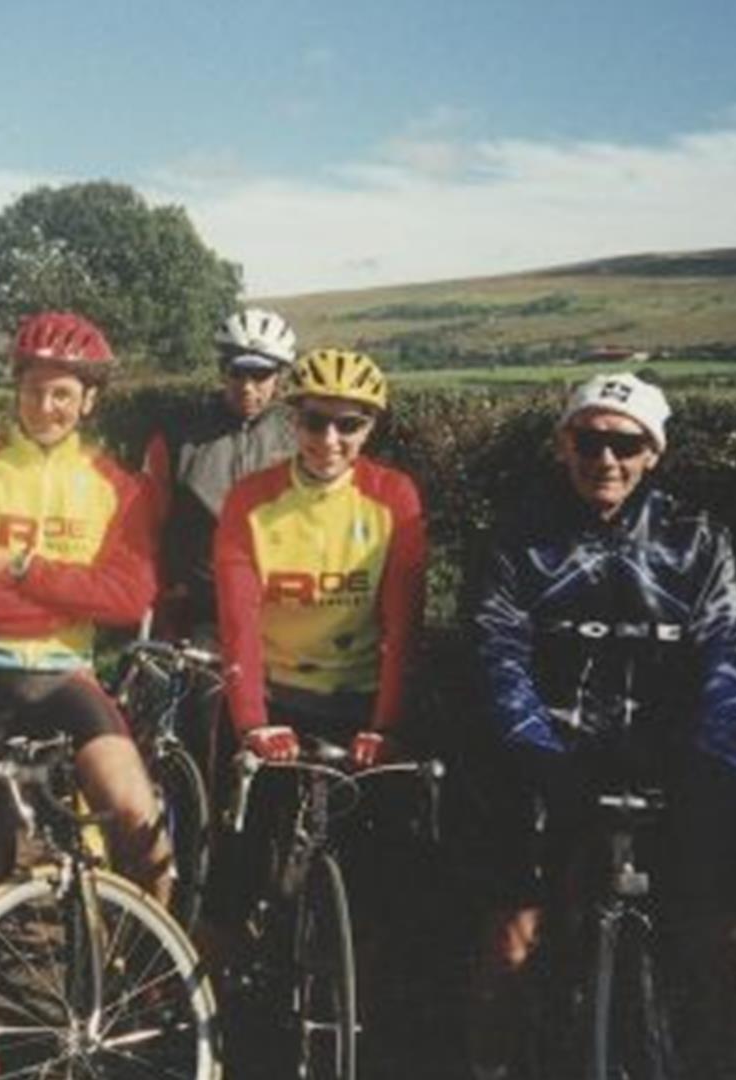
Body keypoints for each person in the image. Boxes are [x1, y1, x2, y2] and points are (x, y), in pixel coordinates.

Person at [465, 373, 736, 1080]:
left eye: (626, 443)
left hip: (673, 763)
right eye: (589, 439)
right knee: (511, 947)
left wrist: (714, 769)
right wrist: (543, 760)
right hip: (550, 759)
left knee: (729, 952)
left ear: (652, 453)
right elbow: (498, 658)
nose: (606, 458)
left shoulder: (697, 542)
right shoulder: (519, 539)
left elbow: (726, 660)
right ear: (562, 444)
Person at [201, 347, 426, 1031]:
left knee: (389, 857)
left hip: (359, 697)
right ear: (291, 419)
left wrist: (385, 726)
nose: (330, 440)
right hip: (271, 694)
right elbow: (237, 626)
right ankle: (207, 1007)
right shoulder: (252, 499)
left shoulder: (393, 499)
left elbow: (402, 628)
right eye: (314, 421)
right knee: (235, 859)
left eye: (349, 426)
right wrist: (250, 724)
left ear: (370, 430)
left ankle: (370, 1003)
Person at [0, 310, 169, 922]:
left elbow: (129, 600)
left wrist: (24, 570)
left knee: (142, 825)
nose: (46, 405)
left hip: (68, 675)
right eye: (34, 388)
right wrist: (71, 598)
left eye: (63, 392)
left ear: (88, 400)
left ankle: (138, 974)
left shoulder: (120, 487)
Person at [143, 306, 302, 643]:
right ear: (221, 370)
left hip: (279, 607)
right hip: (199, 608)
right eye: (237, 372)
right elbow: (148, 524)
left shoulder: (299, 437)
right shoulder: (177, 436)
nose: (247, 387)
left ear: (280, 377)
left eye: (261, 376)